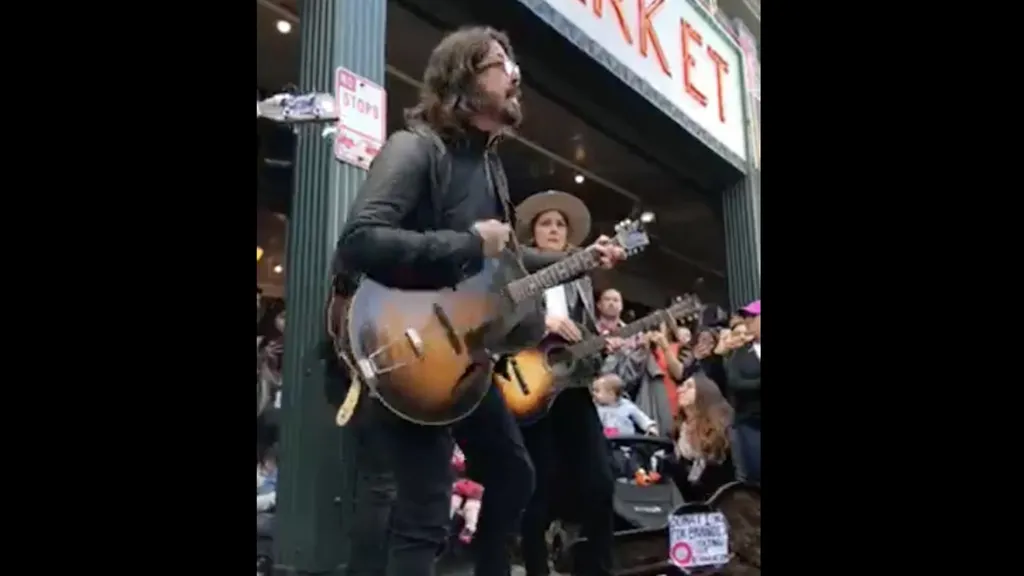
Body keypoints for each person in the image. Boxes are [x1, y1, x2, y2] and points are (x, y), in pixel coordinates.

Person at [334, 27, 625, 576]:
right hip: (409, 347)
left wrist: (587, 257)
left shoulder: (490, 167)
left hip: (465, 358)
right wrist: (469, 242)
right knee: (421, 510)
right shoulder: (416, 147)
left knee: (514, 473)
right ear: (462, 80)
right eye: (498, 64)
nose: (514, 75)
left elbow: (506, 259)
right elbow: (360, 241)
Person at [512, 190, 617, 576]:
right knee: (537, 487)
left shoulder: (580, 279)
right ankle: (536, 567)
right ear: (533, 232)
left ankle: (597, 567)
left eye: (560, 224)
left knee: (600, 481)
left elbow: (585, 339)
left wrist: (602, 346)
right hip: (530, 387)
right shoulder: (518, 268)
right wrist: (544, 324)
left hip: (572, 389)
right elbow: (500, 322)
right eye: (546, 223)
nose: (554, 229)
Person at [592, 374, 660, 485]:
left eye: (598, 391)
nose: (594, 394)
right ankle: (620, 479)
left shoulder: (626, 405)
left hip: (630, 441)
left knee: (636, 457)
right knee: (614, 458)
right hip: (610, 443)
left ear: (611, 394)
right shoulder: (597, 408)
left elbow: (640, 416)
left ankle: (641, 475)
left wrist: (649, 426)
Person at [724, 300, 761, 483]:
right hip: (750, 424)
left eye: (753, 317)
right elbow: (734, 382)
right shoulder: (740, 354)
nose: (747, 322)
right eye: (746, 318)